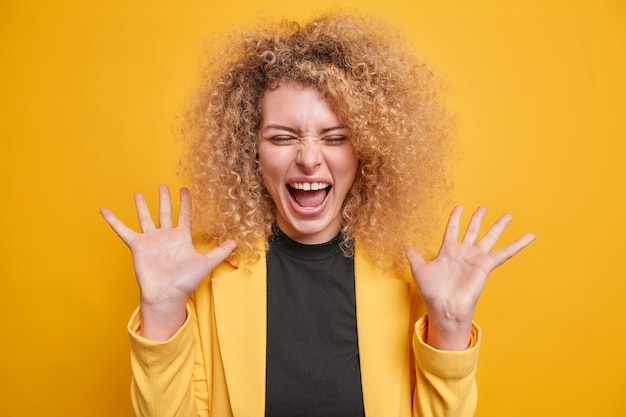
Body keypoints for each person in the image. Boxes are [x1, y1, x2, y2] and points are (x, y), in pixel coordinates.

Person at [100, 12, 535, 417]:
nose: (309, 160)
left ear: (367, 149)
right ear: (248, 151)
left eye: (335, 137)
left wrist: (451, 325)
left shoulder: (414, 283)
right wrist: (160, 312)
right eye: (283, 137)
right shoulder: (203, 284)